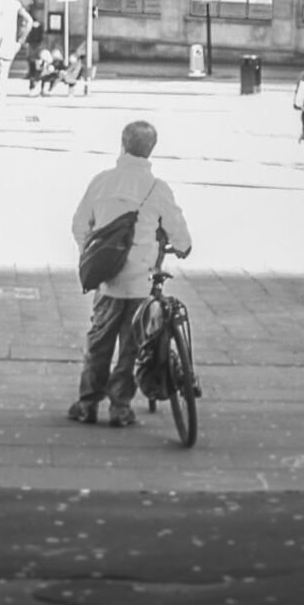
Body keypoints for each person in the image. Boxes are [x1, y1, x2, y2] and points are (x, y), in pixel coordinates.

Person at [68, 120, 192, 428]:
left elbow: (79, 224)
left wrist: (94, 254)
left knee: (99, 340)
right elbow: (179, 234)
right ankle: (120, 407)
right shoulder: (158, 188)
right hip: (141, 280)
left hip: (109, 279)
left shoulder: (102, 181)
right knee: (131, 344)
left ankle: (87, 403)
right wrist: (183, 247)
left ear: (122, 145)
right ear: (151, 150)